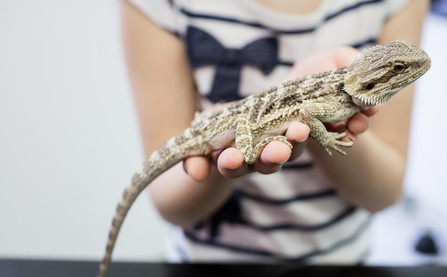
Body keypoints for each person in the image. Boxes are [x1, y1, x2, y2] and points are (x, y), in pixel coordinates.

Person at [121, 0, 428, 263]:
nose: (413, 69)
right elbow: (308, 113)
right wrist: (324, 137)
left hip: (341, 263)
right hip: (207, 266)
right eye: (399, 69)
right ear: (372, 80)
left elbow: (386, 194)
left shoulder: (348, 90)